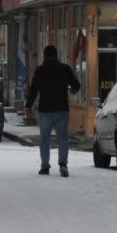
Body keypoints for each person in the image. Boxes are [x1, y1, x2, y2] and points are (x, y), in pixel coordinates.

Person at [24, 45, 81, 177]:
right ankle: (63, 164)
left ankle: (45, 166)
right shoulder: (64, 69)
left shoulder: (40, 70)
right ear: (57, 55)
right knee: (62, 138)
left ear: (44, 56)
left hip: (45, 110)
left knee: (45, 139)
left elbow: (34, 89)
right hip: (62, 110)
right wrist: (72, 91)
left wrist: (28, 106)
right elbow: (76, 85)